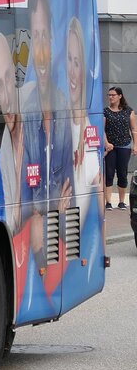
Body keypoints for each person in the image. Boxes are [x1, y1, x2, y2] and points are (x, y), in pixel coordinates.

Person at [19, 0, 73, 265]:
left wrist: (49, 207)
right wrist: (52, 205)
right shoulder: (25, 111)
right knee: (37, 231)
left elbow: (70, 190)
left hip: (58, 228)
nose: (40, 50)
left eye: (45, 37)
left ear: (52, 43)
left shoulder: (62, 105)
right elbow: (25, 200)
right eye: (35, 37)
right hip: (41, 228)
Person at [65, 19, 103, 221]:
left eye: (77, 62)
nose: (72, 70)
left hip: (75, 238)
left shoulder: (89, 128)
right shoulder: (58, 123)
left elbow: (98, 214)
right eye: (69, 60)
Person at [0, 33, 24, 232]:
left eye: (8, 79)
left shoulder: (37, 131)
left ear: (16, 80)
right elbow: (11, 224)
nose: (6, 97)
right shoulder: (2, 150)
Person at [103, 85, 137, 208]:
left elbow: (134, 129)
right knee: (109, 173)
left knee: (122, 173)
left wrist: (135, 145)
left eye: (113, 95)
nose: (111, 97)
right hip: (110, 147)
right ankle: (108, 202)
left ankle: (122, 201)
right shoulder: (105, 111)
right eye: (109, 95)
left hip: (125, 146)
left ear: (120, 96)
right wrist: (106, 143)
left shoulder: (129, 111)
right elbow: (102, 130)